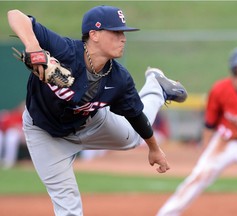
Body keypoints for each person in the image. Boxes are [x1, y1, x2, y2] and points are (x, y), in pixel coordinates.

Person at [7, 5, 187, 216]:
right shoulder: (64, 50)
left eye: (123, 33)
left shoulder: (120, 79)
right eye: (116, 32)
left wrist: (154, 148)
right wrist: (33, 47)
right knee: (68, 206)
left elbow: (136, 116)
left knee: (135, 137)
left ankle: (155, 87)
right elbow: (15, 15)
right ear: (94, 34)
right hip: (45, 133)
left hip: (93, 123)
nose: (123, 38)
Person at [157, 46, 237, 216]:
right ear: (235, 68)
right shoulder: (220, 89)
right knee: (198, 177)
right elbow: (210, 124)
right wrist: (205, 148)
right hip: (223, 142)